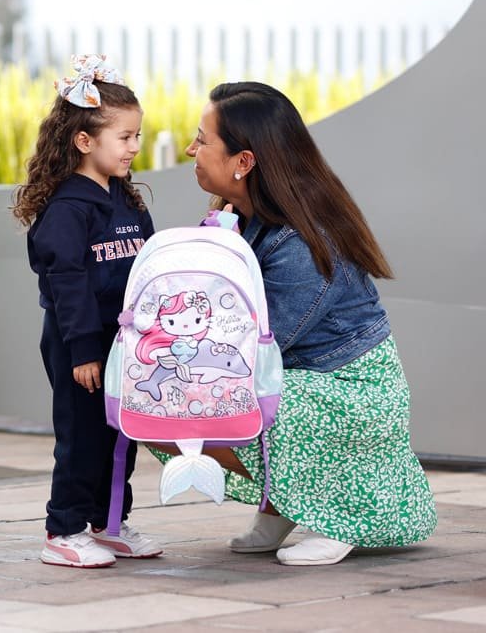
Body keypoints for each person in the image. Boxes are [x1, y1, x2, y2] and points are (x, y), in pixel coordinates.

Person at [180, 80, 437, 566]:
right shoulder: (241, 217)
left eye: (202, 139)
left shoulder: (301, 244)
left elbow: (252, 349)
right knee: (162, 403)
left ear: (244, 161)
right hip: (298, 374)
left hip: (350, 390)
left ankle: (334, 515)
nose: (192, 149)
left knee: (206, 397)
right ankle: (283, 502)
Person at [12, 55, 163, 569]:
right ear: (84, 141)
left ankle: (109, 524)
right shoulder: (67, 211)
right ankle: (64, 528)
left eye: (136, 136)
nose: (134, 147)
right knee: (81, 438)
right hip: (80, 344)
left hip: (123, 343)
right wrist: (83, 352)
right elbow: (68, 284)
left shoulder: (125, 202)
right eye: (124, 137)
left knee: (121, 436)